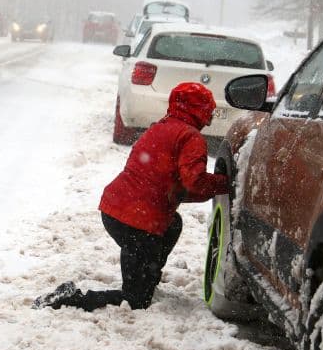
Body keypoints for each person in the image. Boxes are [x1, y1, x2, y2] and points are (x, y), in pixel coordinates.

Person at [34, 82, 230, 312]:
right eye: (209, 108)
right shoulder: (190, 137)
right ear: (201, 109)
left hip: (117, 211)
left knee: (172, 224)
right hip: (137, 223)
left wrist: (198, 191)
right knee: (135, 301)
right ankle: (71, 298)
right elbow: (194, 182)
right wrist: (227, 183)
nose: (211, 115)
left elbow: (172, 186)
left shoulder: (161, 127)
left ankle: (146, 276)